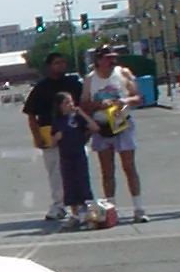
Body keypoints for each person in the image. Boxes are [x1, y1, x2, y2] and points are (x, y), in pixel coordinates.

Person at [82, 44, 148, 223]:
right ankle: (111, 210)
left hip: (121, 121)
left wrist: (123, 100)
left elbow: (137, 97)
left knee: (129, 166)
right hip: (102, 124)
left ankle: (139, 208)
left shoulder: (123, 73)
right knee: (107, 170)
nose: (111, 61)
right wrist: (98, 105)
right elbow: (84, 103)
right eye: (107, 58)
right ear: (98, 60)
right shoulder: (90, 79)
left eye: (113, 57)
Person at [21, 53, 82, 221]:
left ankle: (79, 205)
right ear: (49, 66)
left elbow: (84, 107)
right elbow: (31, 115)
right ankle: (59, 205)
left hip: (73, 132)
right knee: (55, 172)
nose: (61, 66)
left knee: (76, 171)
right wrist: (37, 136)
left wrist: (85, 132)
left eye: (63, 62)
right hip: (49, 132)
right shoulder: (41, 88)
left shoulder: (74, 85)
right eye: (56, 63)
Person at [52, 91, 97, 230]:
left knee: (82, 184)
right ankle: (75, 215)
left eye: (71, 101)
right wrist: (56, 138)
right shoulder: (58, 121)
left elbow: (94, 127)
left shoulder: (78, 118)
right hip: (65, 157)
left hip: (79, 155)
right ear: (60, 106)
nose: (70, 105)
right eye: (66, 102)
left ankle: (86, 214)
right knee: (69, 186)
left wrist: (82, 113)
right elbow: (52, 143)